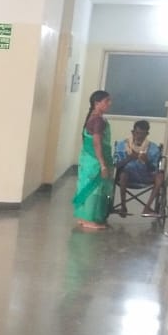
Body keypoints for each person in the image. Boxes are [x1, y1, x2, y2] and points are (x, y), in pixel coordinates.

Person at [72, 90, 114, 231]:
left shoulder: (93, 117)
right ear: (97, 103)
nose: (109, 103)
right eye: (106, 101)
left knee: (86, 186)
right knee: (95, 189)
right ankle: (90, 219)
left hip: (88, 160)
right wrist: (103, 165)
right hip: (95, 162)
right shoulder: (98, 120)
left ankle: (83, 217)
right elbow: (97, 143)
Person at [113, 119, 165, 217]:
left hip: (145, 176)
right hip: (128, 176)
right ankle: (123, 207)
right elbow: (116, 166)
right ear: (133, 132)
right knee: (123, 174)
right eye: (137, 133)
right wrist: (128, 158)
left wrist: (147, 161)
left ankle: (147, 208)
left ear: (147, 134)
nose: (139, 136)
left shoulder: (153, 148)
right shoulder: (123, 145)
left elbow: (154, 169)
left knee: (160, 176)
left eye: (142, 134)